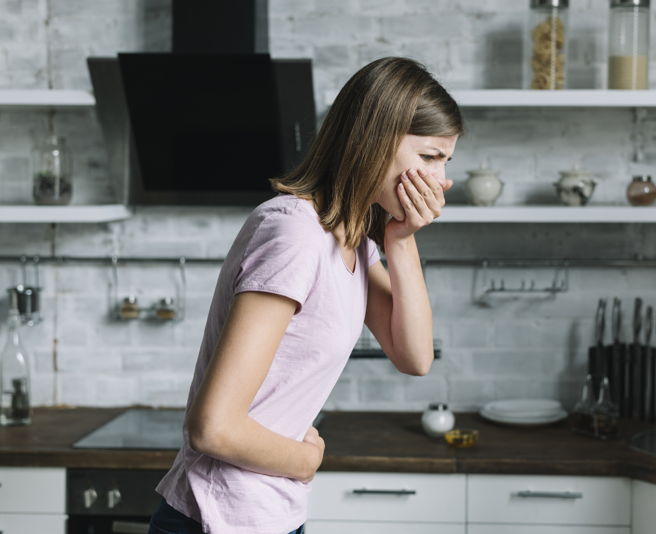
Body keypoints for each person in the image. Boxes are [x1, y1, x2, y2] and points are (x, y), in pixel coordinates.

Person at [148, 56, 463, 534]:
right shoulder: (295, 234)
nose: (441, 182)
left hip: (270, 515)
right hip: (220, 518)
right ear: (375, 142)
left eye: (446, 162)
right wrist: (303, 460)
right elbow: (212, 426)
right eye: (429, 157)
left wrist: (402, 237)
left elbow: (415, 356)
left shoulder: (351, 237)